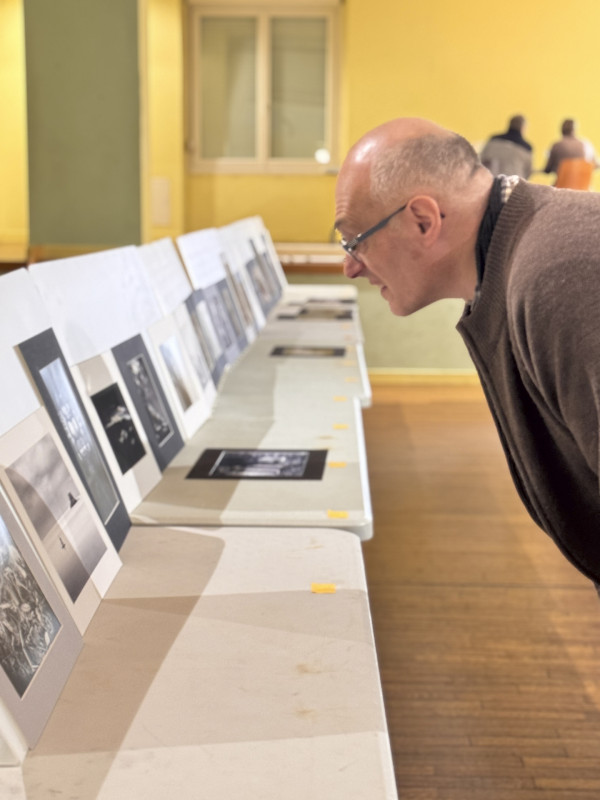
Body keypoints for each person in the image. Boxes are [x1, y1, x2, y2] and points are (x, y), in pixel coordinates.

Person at [334, 117, 600, 586]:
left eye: (356, 240)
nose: (350, 266)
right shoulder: (523, 258)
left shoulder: (557, 276)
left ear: (423, 220)